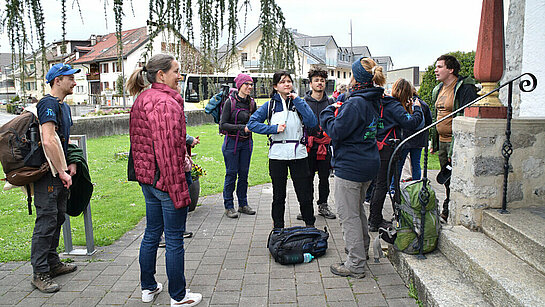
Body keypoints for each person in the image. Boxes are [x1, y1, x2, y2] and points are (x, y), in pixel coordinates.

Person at [127, 54, 202, 307]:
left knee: (151, 234)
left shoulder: (143, 98)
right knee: (173, 240)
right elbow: (166, 149)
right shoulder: (164, 103)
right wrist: (179, 190)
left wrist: (184, 152)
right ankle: (179, 296)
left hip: (148, 179)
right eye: (176, 71)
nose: (180, 76)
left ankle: (148, 288)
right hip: (165, 181)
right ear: (161, 75)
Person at [320, 57, 383, 278]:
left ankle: (355, 264)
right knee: (357, 212)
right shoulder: (373, 99)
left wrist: (327, 112)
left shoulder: (356, 103)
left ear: (356, 77)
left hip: (351, 165)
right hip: (368, 162)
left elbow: (336, 131)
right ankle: (360, 252)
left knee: (348, 216)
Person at [30, 63, 80, 293]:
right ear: (57, 80)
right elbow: (48, 140)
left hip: (59, 173)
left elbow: (64, 139)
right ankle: (39, 273)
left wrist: (70, 163)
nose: (74, 82)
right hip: (47, 174)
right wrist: (60, 171)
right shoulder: (48, 104)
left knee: (58, 217)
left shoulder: (64, 107)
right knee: (46, 221)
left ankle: (53, 263)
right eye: (70, 78)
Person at [247, 71, 318, 229]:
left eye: (289, 81)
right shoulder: (270, 105)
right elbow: (252, 124)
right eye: (282, 82)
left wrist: (299, 102)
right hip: (277, 155)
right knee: (279, 195)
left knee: (304, 193)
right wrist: (273, 129)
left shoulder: (298, 103)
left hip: (298, 153)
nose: (287, 84)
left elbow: (312, 122)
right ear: (275, 86)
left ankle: (310, 225)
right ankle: (278, 228)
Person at [368, 74, 424, 233]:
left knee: (379, 184)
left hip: (379, 147)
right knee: (382, 185)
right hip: (388, 149)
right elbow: (411, 123)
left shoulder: (383, 103)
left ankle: (375, 217)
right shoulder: (394, 106)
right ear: (406, 94)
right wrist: (417, 109)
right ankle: (374, 220)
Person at [430, 54, 478, 222]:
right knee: (446, 179)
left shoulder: (464, 89)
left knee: (455, 178)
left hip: (455, 143)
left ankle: (450, 208)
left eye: (440, 66)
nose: (436, 70)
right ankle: (448, 206)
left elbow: (466, 117)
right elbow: (437, 116)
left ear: (450, 69)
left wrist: (455, 147)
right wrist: (434, 141)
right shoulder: (438, 89)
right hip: (442, 141)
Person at [296, 67, 336, 221]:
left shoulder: (331, 102)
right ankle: (307, 208)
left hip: (325, 146)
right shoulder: (303, 102)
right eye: (316, 80)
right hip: (308, 146)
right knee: (307, 178)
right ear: (310, 83)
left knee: (324, 178)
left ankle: (323, 205)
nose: (320, 83)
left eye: (322, 80)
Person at [220, 73, 257, 218]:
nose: (249, 87)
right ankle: (228, 206)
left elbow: (255, 121)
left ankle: (243, 204)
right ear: (239, 85)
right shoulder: (230, 102)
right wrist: (242, 128)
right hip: (231, 143)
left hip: (247, 142)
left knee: (244, 174)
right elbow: (223, 124)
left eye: (251, 84)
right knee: (231, 174)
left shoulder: (252, 103)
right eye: (246, 84)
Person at [390, 79, 433, 188]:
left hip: (405, 138)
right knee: (416, 164)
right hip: (418, 139)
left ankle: (393, 187)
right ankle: (416, 186)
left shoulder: (403, 104)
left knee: (399, 163)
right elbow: (429, 122)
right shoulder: (423, 104)